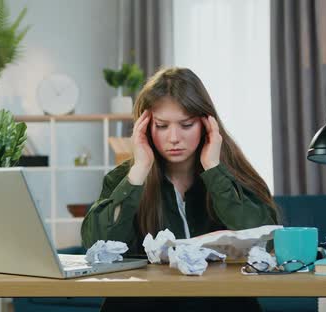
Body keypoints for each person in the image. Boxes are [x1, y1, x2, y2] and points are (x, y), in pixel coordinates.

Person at [81, 67, 279, 312]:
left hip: (221, 304)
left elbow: (266, 240)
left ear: (207, 124)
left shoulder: (231, 171)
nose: (174, 138)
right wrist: (140, 168)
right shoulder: (126, 177)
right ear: (145, 127)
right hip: (144, 305)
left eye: (186, 125)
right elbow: (96, 247)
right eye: (162, 126)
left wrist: (214, 171)